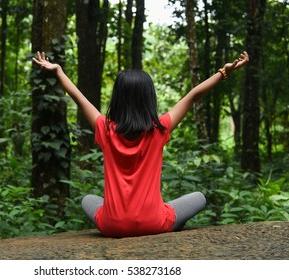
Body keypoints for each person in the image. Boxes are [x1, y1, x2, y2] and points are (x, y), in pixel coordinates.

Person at [33, 51, 249, 237]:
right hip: (153, 223)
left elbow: (79, 99)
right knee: (198, 198)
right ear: (149, 99)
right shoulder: (160, 129)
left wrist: (58, 71)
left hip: (112, 226)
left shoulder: (105, 129)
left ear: (117, 99)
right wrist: (224, 71)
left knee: (88, 199)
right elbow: (192, 96)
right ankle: (157, 214)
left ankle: (130, 217)